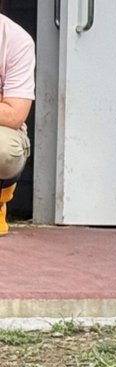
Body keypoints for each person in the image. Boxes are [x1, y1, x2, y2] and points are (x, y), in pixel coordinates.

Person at [0, 7, 33, 236]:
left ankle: (0, 198)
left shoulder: (16, 39)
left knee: (5, 150)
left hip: (4, 129)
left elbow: (14, 114)